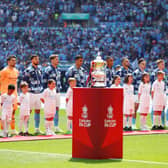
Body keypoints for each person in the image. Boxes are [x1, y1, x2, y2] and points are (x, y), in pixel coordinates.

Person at [22, 55, 43, 135]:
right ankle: (26, 129)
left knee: (38, 110)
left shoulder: (40, 69)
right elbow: (24, 82)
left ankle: (37, 129)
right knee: (28, 111)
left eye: (38, 59)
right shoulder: (28, 70)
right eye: (35, 59)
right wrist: (25, 92)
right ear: (32, 60)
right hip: (31, 93)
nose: (37, 60)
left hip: (39, 92)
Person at [43, 54, 62, 133]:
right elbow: (44, 81)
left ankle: (56, 126)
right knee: (48, 111)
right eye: (56, 59)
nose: (58, 61)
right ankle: (47, 128)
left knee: (56, 109)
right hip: (49, 92)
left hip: (57, 91)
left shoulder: (58, 69)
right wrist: (46, 91)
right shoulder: (48, 69)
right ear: (52, 60)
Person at [0, 55, 19, 135]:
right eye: (12, 60)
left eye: (15, 60)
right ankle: (2, 130)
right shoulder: (4, 71)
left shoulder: (16, 71)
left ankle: (13, 128)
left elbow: (15, 83)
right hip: (5, 94)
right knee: (4, 113)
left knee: (13, 112)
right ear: (8, 61)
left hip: (14, 94)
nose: (14, 62)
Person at [151, 59, 167, 126]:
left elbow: (165, 82)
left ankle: (162, 123)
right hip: (156, 92)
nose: (163, 65)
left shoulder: (165, 72)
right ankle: (154, 123)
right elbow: (152, 82)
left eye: (164, 64)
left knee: (162, 108)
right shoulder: (154, 72)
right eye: (162, 64)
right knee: (154, 109)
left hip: (163, 92)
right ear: (158, 65)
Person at [132, 58, 147, 129]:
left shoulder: (145, 73)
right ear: (139, 64)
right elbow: (132, 83)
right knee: (135, 108)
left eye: (145, 64)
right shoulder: (136, 72)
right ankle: (133, 123)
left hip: (144, 94)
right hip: (136, 93)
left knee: (143, 108)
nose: (144, 65)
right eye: (142, 64)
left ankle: (143, 124)